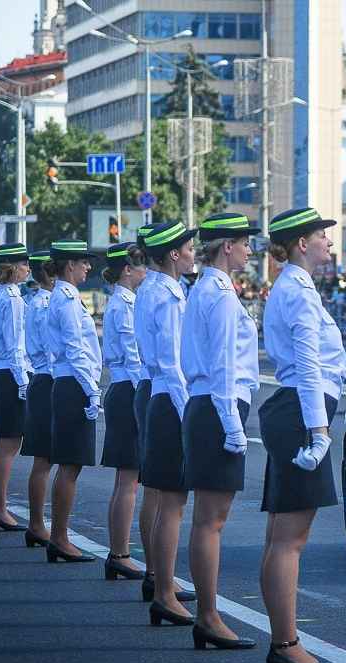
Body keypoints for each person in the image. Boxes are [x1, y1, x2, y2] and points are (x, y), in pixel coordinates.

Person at [258, 207, 346, 663]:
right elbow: (309, 367)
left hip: (296, 411)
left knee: (283, 537)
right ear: (300, 245)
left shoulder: (296, 287)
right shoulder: (295, 290)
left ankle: (283, 642)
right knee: (289, 540)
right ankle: (286, 644)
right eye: (321, 236)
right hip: (300, 415)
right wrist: (319, 432)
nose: (328, 243)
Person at [181, 213, 261, 650]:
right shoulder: (223, 295)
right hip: (217, 407)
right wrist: (233, 426)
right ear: (226, 246)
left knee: (206, 521)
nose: (249, 250)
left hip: (206, 405)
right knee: (211, 522)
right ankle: (209, 616)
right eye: (245, 242)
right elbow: (224, 367)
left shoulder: (204, 289)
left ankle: (207, 614)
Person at [136, 220, 198, 625]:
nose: (194, 252)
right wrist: (186, 412)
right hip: (170, 398)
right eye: (189, 247)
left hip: (155, 394)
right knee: (172, 503)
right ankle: (163, 590)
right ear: (173, 254)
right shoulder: (169, 295)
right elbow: (174, 362)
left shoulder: (149, 287)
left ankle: (161, 581)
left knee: (162, 499)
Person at [45, 239, 102, 563]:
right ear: (69, 265)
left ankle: (59, 535)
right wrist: (90, 388)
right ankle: (60, 537)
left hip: (72, 381)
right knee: (69, 464)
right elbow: (75, 348)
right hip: (72, 383)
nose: (88, 267)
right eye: (83, 262)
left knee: (72, 465)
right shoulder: (65, 300)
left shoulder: (67, 297)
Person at [100, 242, 147, 581]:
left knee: (127, 479)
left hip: (123, 388)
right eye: (141, 266)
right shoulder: (124, 304)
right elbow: (134, 357)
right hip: (128, 388)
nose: (146, 271)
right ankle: (120, 552)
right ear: (127, 270)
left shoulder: (122, 301)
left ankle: (119, 551)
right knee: (128, 479)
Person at [0, 243, 32, 532]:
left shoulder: (3, 294)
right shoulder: (13, 298)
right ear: (13, 267)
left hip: (3, 371)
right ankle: (0, 508)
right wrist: (24, 382)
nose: (29, 268)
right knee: (9, 444)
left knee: (8, 444)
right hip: (11, 373)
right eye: (24, 263)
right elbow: (15, 345)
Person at [21, 250, 56, 548]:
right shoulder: (44, 304)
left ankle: (38, 523)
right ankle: (36, 523)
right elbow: (52, 348)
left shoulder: (39, 301)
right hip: (47, 379)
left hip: (43, 378)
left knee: (45, 459)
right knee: (44, 459)